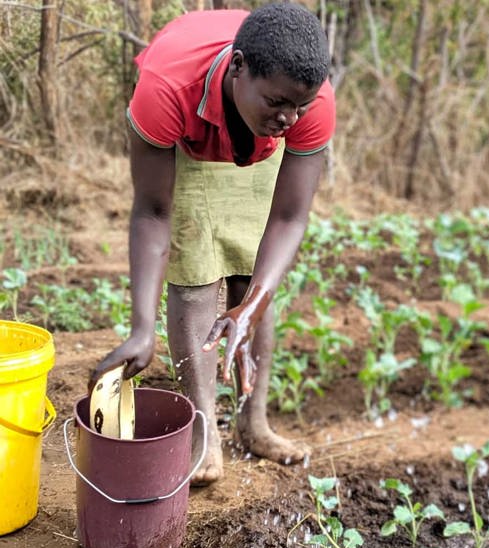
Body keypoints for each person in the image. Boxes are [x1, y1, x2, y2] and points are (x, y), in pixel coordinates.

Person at [89, 3, 335, 485]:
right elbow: (153, 212)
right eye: (279, 103)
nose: (289, 117)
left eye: (298, 107)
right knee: (196, 264)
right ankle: (204, 434)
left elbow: (289, 217)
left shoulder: (304, 102)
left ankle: (254, 423)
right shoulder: (165, 89)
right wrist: (143, 329)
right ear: (238, 66)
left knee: (252, 276)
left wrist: (252, 306)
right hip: (193, 130)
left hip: (253, 139)